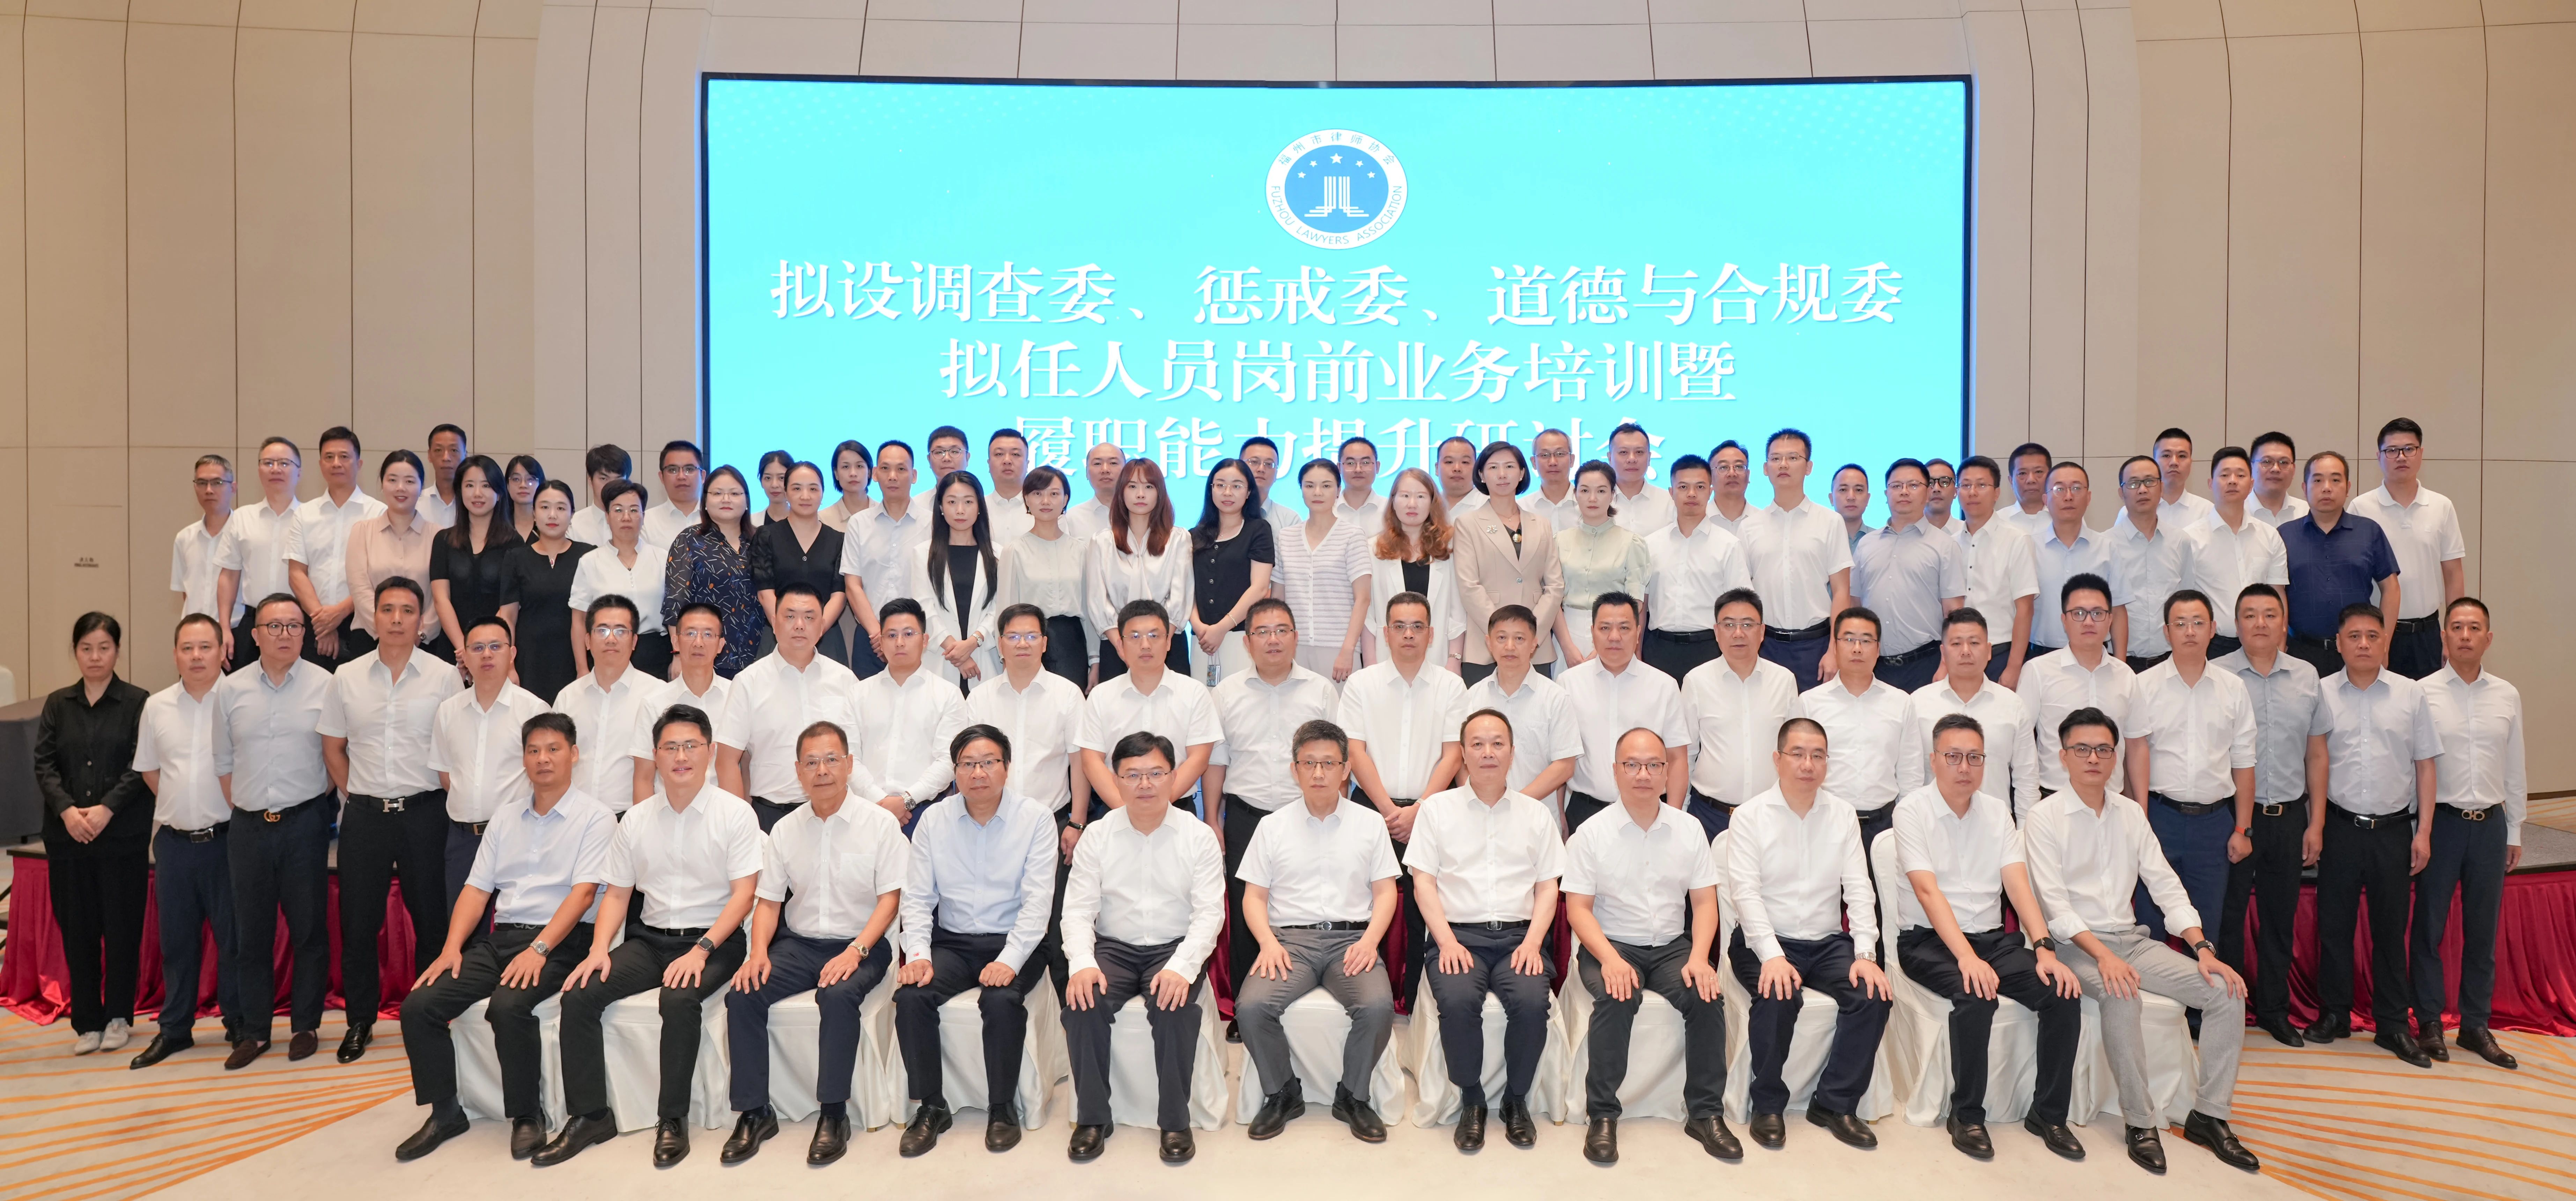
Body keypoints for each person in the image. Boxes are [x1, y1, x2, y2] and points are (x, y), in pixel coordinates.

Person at [2023, 707, 2259, 1174]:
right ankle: (2139, 1120)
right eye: (2081, 749)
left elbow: (2164, 883)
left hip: (2131, 941)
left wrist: (2202, 949)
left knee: (2224, 991)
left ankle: (2209, 1116)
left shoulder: (2130, 813)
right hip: (2073, 946)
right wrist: (2102, 957)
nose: (2093, 758)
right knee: (2120, 992)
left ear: (2115, 757)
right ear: (2062, 756)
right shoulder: (2042, 817)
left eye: (2103, 749)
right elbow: (2055, 908)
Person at [540, 703, 761, 1169]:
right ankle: (590, 1116)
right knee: (579, 994)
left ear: (710, 752)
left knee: (677, 999)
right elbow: (618, 895)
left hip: (714, 941)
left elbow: (744, 895)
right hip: (650, 940)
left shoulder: (735, 814)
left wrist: (701, 950)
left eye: (690, 746)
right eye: (670, 747)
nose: (680, 756)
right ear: (655, 756)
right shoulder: (636, 819)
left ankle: (672, 1119)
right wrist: (599, 950)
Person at [393, 713, 613, 1163]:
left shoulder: (596, 817)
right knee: (419, 1004)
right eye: (533, 750)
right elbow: (477, 890)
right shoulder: (505, 818)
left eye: (553, 749)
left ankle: (527, 1115)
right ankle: (445, 1112)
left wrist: (540, 948)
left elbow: (583, 894)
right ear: (524, 759)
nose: (543, 759)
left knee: (508, 1006)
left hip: (562, 940)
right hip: (504, 938)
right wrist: (451, 948)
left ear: (574, 755)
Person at [1894, 713, 2084, 1161]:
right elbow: (1927, 891)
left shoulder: (1997, 811)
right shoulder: (1912, 810)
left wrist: (2044, 948)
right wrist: (1965, 956)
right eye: (1953, 756)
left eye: (1974, 757)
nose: (1964, 767)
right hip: (1927, 941)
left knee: (2061, 991)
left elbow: (2018, 885)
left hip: (1992, 940)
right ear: (1933, 760)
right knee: (1975, 993)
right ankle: (1966, 1115)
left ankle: (2048, 1115)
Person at [719, 721, 907, 1166]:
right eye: (811, 762)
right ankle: (754, 1112)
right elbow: (768, 902)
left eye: (831, 759)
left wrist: (856, 950)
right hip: (799, 944)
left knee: (837, 996)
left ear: (849, 764)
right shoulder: (785, 829)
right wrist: (757, 954)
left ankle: (833, 1113)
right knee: (742, 993)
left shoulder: (880, 824)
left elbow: (891, 900)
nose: (822, 770)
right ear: (798, 770)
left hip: (862, 943)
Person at [1561, 725, 1732, 1164]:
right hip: (1610, 942)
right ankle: (1602, 1114)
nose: (1643, 774)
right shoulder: (1590, 833)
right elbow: (1578, 909)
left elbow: (1705, 902)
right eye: (1632, 764)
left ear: (1666, 771)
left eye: (1654, 764)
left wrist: (1700, 957)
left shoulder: (1689, 829)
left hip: (1673, 946)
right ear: (1615, 770)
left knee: (1706, 995)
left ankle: (1705, 1113)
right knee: (1617, 995)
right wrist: (1610, 959)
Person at [1062, 731, 1227, 1166]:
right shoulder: (1098, 835)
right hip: (1114, 948)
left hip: (1174, 946)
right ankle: (1092, 1117)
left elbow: (1209, 914)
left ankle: (1174, 1121)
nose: (1145, 784)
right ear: (1115, 780)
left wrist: (1182, 967)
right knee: (1082, 1002)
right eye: (1132, 775)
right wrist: (1082, 962)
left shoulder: (1198, 836)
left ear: (1174, 777)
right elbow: (1077, 909)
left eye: (1156, 773)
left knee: (1174, 1007)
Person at [892, 725, 1057, 1156]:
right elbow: (917, 897)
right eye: (967, 764)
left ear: (1006, 767)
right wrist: (918, 954)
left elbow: (1038, 904)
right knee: (911, 995)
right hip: (953, 941)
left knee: (1000, 999)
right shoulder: (934, 820)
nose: (978, 773)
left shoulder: (1036, 818)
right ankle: (931, 1106)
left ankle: (1001, 1107)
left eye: (988, 762)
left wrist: (1010, 960)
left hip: (1016, 938)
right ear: (955, 771)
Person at [1235, 720, 1402, 1144]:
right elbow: (1253, 897)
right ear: (1294, 769)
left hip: (1353, 940)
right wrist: (1267, 943)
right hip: (1289, 942)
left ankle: (1353, 1096)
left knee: (1377, 1006)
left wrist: (1370, 941)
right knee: (1252, 1007)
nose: (1318, 773)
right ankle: (1282, 1092)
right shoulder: (1272, 826)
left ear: (1346, 769)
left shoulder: (1369, 824)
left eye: (1328, 763)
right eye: (1308, 763)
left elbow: (1386, 892)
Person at [1728, 717, 1891, 1151]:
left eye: (1817, 755)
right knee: (1778, 993)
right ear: (1777, 759)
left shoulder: (1841, 814)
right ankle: (1767, 1104)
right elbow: (1745, 893)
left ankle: (1834, 1103)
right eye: (1797, 754)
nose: (1807, 764)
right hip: (1764, 939)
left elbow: (1858, 888)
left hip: (1825, 941)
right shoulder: (1749, 816)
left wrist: (1865, 954)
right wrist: (1772, 955)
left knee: (1872, 993)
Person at [318, 578, 462, 1062]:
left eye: (406, 610)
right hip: (366, 817)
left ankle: (428, 1017)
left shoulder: (444, 677)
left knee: (432, 921)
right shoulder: (346, 677)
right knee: (359, 925)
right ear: (372, 617)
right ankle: (360, 1021)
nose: (397, 619)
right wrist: (358, 794)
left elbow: (454, 749)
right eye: (387, 609)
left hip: (426, 814)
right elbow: (333, 749)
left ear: (421, 620)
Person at [1408, 709, 1562, 1154]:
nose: (1487, 752)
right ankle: (1472, 1099)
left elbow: (1548, 886)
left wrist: (1533, 942)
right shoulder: (1436, 810)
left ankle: (1516, 1100)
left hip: (1519, 937)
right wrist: (1445, 941)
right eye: (1477, 744)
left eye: (1497, 743)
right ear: (1462, 753)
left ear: (1512, 752)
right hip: (1457, 936)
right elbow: (1423, 882)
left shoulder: (1536, 814)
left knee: (1531, 1002)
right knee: (1457, 1001)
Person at [2307, 603, 2441, 1064]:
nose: (2363, 644)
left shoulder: (2409, 693)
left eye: (2371, 636)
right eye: (2353, 636)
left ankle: (2390, 1024)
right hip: (2340, 828)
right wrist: (2315, 826)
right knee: (2333, 927)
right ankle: (2334, 1013)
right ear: (2338, 643)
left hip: (2393, 830)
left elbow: (2425, 766)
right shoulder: (2321, 692)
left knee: (2389, 931)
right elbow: (2314, 763)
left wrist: (2423, 832)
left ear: (2385, 641)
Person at [212, 594, 335, 1067]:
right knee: (251, 934)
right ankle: (256, 1031)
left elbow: (334, 757)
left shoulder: (326, 685)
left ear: (305, 634)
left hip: (304, 822)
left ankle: (305, 1025)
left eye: (293, 626)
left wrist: (306, 802)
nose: (285, 634)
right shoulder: (231, 689)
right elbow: (224, 761)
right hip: (248, 828)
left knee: (309, 930)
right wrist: (250, 804)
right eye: (274, 626)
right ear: (255, 634)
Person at [129, 614, 250, 1069]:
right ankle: (175, 1029)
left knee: (234, 939)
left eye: (205, 647)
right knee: (177, 942)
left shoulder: (242, 700)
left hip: (228, 840)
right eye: (187, 648)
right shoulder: (157, 706)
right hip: (175, 844)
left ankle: (239, 1022)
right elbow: (149, 769)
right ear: (175, 654)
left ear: (223, 651)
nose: (196, 656)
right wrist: (183, 805)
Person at [1205, 600, 1337, 1006]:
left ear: (1295, 637)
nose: (1272, 639)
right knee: (1248, 911)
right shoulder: (1226, 693)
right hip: (1247, 817)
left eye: (1281, 630)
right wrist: (1212, 819)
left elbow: (1338, 760)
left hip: (1308, 816)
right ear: (1247, 643)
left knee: (1306, 904)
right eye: (1262, 632)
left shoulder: (1321, 690)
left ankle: (1304, 999)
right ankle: (1248, 1006)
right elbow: (1216, 761)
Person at [1338, 592, 1467, 1007]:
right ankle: (1363, 999)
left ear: (1431, 634)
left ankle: (1416, 1001)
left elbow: (1453, 754)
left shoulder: (1451, 686)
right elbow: (1354, 752)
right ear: (1385, 633)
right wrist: (1390, 811)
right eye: (1399, 626)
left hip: (1432, 810)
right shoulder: (1361, 684)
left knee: (1423, 910)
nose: (1408, 634)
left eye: (1416, 627)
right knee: (1361, 906)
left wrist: (1419, 810)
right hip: (1370, 808)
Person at [2213, 582, 2328, 1047]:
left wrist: (2316, 822)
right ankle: (2227, 1011)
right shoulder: (2217, 674)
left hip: (2288, 816)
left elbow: (2316, 754)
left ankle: (2275, 1012)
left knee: (2279, 919)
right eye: (2249, 615)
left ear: (2283, 623)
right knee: (2228, 919)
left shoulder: (2306, 675)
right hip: (2233, 817)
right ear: (2235, 623)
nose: (2259, 623)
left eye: (2269, 614)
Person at [2412, 597, 2523, 1069]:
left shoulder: (2507, 695)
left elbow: (2514, 765)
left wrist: (2514, 829)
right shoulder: (2421, 693)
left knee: (2482, 930)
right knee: (2428, 928)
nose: (2464, 635)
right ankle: (2429, 1023)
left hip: (2490, 825)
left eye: (2474, 627)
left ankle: (2475, 1026)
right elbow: (2414, 767)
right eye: (2455, 626)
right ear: (2443, 636)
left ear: (2487, 638)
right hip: (2441, 823)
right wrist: (2418, 830)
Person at [35, 612, 153, 1056]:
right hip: (67, 838)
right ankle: (87, 1020)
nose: (95, 656)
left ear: (117, 651)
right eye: (86, 648)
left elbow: (142, 763)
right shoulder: (58, 703)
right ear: (75, 652)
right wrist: (67, 810)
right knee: (77, 930)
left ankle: (119, 1015)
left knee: (122, 928)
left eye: (104, 647)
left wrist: (107, 808)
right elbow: (44, 764)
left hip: (121, 836)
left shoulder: (138, 702)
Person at [966, 603, 1091, 992]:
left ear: (1044, 643)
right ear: (1000, 644)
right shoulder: (980, 697)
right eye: (1014, 636)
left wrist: (1077, 822)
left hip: (1052, 821)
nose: (1023, 644)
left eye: (1031, 636)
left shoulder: (1067, 694)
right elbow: (968, 766)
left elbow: (1079, 763)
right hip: (992, 822)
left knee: (1054, 919)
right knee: (1000, 912)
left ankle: (1063, 1004)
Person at [2121, 590, 2257, 944]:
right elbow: (2132, 754)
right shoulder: (2143, 685)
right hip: (2159, 817)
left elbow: (2244, 762)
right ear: (2166, 632)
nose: (2189, 631)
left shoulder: (2233, 688)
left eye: (2198, 622)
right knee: (2150, 926)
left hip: (2214, 825)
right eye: (2180, 624)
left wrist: (2242, 828)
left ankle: (2201, 986)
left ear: (2213, 629)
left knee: (2206, 929)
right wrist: (2139, 819)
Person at [715, 584, 862, 831]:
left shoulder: (845, 680)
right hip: (771, 816)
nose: (800, 625)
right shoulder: (749, 682)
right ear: (774, 622)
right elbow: (727, 761)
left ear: (822, 625)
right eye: (790, 616)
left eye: (809, 618)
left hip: (838, 815)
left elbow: (859, 754)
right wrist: (740, 825)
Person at [432, 616, 552, 904]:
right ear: (464, 657)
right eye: (477, 648)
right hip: (463, 840)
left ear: (512, 654)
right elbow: (447, 775)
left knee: (515, 925)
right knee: (462, 925)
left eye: (496, 647)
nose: (487, 654)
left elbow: (549, 781)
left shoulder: (535, 711)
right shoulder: (448, 711)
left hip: (519, 839)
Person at [1076, 600, 1222, 817]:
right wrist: (1127, 811)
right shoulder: (1100, 696)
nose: (1145, 645)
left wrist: (1156, 807)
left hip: (1178, 809)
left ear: (1169, 642)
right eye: (1135, 637)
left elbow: (1199, 759)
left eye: (1154, 636)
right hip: (1115, 810)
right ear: (1121, 645)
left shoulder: (1195, 692)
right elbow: (1091, 761)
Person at [1557, 594, 1689, 832]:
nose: (1614, 637)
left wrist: (1675, 818)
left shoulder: (1664, 686)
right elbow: (1560, 757)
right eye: (1605, 628)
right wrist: (1560, 817)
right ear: (1593, 632)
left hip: (1649, 812)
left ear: (1638, 633)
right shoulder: (1569, 684)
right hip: (1585, 811)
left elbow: (1678, 758)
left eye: (1624, 628)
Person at [1798, 606, 1924, 852]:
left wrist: (1908, 826)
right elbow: (1798, 769)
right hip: (1825, 825)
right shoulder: (1810, 703)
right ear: (1835, 647)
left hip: (1884, 826)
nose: (1857, 648)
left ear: (1878, 649)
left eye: (1866, 641)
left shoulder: (1901, 702)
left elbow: (1910, 773)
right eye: (1848, 640)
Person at [2349, 419, 2466, 679]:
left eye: (2409, 449)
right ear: (2379, 457)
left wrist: (2453, 635)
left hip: (2427, 633)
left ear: (2421, 453)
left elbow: (2453, 575)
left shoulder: (2441, 506)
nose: (2401, 457)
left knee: (2429, 703)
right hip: (2376, 633)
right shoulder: (2360, 508)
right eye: (2392, 450)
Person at [1679, 589, 1801, 838]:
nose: (1738, 633)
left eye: (1747, 624)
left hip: (1771, 816)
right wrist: (1680, 815)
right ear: (1716, 632)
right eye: (1729, 625)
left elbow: (1796, 752)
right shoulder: (1696, 681)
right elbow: (1685, 755)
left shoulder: (1784, 681)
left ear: (1762, 631)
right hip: (1710, 816)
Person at [2017, 575, 2136, 816]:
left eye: (2098, 613)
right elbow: (2020, 743)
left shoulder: (2126, 675)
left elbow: (2136, 745)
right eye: (2079, 613)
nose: (2089, 622)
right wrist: (2027, 812)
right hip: (2052, 802)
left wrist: (2139, 810)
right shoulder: (2037, 671)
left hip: (2111, 805)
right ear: (2064, 620)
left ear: (2110, 619)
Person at [1741, 429, 1853, 684]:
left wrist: (1834, 650)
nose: (1783, 465)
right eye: (1776, 458)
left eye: (1793, 458)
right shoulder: (1749, 527)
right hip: (1765, 646)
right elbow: (1744, 594)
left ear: (1809, 467)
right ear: (1765, 468)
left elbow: (1841, 592)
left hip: (1816, 645)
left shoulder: (1830, 522)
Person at [1447, 606, 1582, 812]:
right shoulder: (1472, 697)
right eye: (1502, 638)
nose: (1510, 647)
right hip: (1481, 814)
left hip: (1536, 815)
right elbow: (1462, 759)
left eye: (1519, 639)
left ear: (1534, 644)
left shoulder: (1556, 698)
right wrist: (1482, 803)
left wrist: (1515, 804)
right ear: (1489, 643)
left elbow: (1564, 765)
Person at [1908, 608, 2042, 815]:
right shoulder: (1918, 703)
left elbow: (2027, 779)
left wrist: (2025, 830)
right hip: (1932, 824)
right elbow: (1910, 776)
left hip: (1995, 826)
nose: (1966, 651)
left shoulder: (2013, 705)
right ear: (1943, 653)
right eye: (1956, 644)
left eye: (1974, 643)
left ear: (1989, 651)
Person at [851, 599, 970, 827]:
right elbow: (849, 757)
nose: (900, 642)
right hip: (867, 810)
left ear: (925, 641)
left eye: (908, 634)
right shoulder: (857, 694)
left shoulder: (948, 695)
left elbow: (948, 760)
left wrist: (906, 801)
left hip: (926, 813)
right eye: (891, 635)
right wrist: (880, 802)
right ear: (881, 642)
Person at [1454, 442, 1565, 686]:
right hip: (1486, 645)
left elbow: (1555, 586)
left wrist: (1530, 633)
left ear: (1522, 473)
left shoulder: (1541, 524)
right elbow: (1469, 587)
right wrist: (1501, 635)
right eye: (1493, 467)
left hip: (1535, 645)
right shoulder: (1467, 524)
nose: (1502, 474)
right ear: (1482, 475)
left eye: (1510, 467)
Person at [1851, 458, 1968, 691]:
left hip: (1926, 664)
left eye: (1913, 485)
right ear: (1886, 494)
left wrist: (1946, 664)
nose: (1904, 492)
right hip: (1873, 665)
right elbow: (1854, 605)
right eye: (1896, 486)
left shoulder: (1945, 546)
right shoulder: (1866, 545)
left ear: (1927, 492)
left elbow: (1953, 614)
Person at [2281, 452, 2400, 677]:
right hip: (2299, 652)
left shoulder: (2369, 532)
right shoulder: (2285, 535)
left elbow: (2391, 588)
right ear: (2304, 488)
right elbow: (2277, 596)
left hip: (2357, 651)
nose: (2327, 488)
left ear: (2348, 488)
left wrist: (2383, 644)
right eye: (2318, 480)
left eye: (2335, 480)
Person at [1641, 454, 1750, 683]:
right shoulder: (1651, 545)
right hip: (1658, 649)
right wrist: (1637, 652)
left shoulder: (1729, 545)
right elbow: (1641, 606)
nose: (1692, 494)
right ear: (1671, 493)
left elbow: (1741, 607)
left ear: (1710, 491)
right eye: (1683, 487)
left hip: (1710, 650)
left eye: (1700, 487)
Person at [1086, 458, 1193, 681]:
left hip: (1168, 643)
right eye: (1133, 486)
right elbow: (1098, 599)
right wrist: (1122, 644)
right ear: (1121, 492)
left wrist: (1160, 640)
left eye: (1149, 487)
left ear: (1160, 493)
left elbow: (1180, 595)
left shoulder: (1179, 539)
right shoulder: (1102, 542)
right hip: (1117, 644)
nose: (1141, 495)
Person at [285, 427, 384, 666]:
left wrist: (338, 614)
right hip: (314, 624)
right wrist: (323, 622)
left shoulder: (379, 513)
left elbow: (378, 575)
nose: (336, 463)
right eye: (329, 457)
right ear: (320, 464)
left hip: (363, 623)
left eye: (344, 456)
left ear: (359, 464)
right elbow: (297, 573)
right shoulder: (304, 514)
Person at [550, 596, 658, 816]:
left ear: (634, 641)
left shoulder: (658, 695)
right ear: (588, 641)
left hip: (630, 819)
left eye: (621, 631)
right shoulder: (567, 698)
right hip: (574, 819)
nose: (611, 639)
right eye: (602, 631)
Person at [1270, 457, 1370, 683]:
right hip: (1293, 648)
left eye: (1326, 486)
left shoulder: (1352, 536)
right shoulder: (1285, 537)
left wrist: (1348, 650)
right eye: (1310, 486)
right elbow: (1278, 599)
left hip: (1338, 650)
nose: (1317, 492)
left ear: (1338, 491)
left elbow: (1363, 599)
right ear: (1301, 490)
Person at [995, 465, 1095, 688]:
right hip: (1028, 642)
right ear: (1027, 499)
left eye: (1054, 494)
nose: (1046, 501)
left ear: (1066, 499)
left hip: (1072, 643)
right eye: (1038, 494)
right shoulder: (1015, 550)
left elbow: (1089, 610)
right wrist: (1005, 658)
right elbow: (1005, 608)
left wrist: (1095, 659)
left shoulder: (1081, 550)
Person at [838, 439, 928, 679]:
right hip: (870, 640)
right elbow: (853, 585)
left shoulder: (933, 524)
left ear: (914, 476)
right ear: (876, 474)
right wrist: (879, 635)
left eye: (901, 469)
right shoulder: (859, 523)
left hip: (918, 640)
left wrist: (903, 636)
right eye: (886, 469)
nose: (893, 476)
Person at [211, 437, 304, 669]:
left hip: (299, 624)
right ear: (259, 469)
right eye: (268, 463)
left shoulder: (311, 518)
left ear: (299, 472)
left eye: (284, 463)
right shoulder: (242, 518)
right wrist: (224, 627)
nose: (276, 469)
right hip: (252, 623)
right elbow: (228, 576)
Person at [1361, 467, 1464, 674]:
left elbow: (1458, 612)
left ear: (1433, 502)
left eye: (1421, 496)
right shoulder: (1373, 550)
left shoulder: (1450, 549)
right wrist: (1370, 664)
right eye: (1405, 496)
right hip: (1384, 659)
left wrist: (1454, 660)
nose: (1412, 504)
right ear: (1393, 501)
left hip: (1439, 659)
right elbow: (1368, 616)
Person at [497, 480, 593, 702]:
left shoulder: (588, 556)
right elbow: (508, 617)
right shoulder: (516, 558)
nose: (552, 515)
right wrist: (509, 666)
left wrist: (584, 668)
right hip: (529, 658)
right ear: (534, 512)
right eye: (545, 507)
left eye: (561, 508)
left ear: (572, 514)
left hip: (576, 658)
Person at [661, 464, 761, 676]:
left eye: (735, 494)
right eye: (717, 493)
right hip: (703, 656)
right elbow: (675, 602)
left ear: (747, 501)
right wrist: (678, 654)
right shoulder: (689, 540)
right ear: (705, 501)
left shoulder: (761, 541)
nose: (726, 499)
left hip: (758, 657)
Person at [629, 603, 734, 805]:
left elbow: (745, 767)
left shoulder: (736, 696)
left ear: (721, 645)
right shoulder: (654, 703)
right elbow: (643, 778)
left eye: (708, 635)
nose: (699, 643)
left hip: (722, 813)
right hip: (668, 812)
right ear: (676, 641)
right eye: (690, 634)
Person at [342, 450, 441, 663]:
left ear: (422, 487)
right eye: (393, 480)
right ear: (382, 485)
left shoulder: (438, 536)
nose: (401, 488)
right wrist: (385, 630)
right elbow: (360, 589)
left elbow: (441, 596)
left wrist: (421, 633)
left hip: (424, 643)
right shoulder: (362, 531)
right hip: (370, 639)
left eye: (410, 481)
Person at [568, 478, 670, 679]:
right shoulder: (590, 561)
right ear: (607, 516)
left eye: (634, 510)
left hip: (655, 651)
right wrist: (582, 669)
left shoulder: (662, 558)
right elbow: (578, 621)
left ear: (644, 516)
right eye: (618, 510)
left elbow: (674, 613)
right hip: (608, 648)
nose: (626, 517)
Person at [2194, 447, 2290, 659]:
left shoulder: (2270, 536)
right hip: (2212, 647)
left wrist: (2281, 645)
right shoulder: (2190, 539)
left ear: (2251, 484)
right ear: (2210, 484)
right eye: (2224, 475)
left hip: (2264, 642)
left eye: (2240, 475)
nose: (2232, 481)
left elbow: (2278, 594)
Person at [1187, 458, 1276, 685]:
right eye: (1220, 485)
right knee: (1204, 699)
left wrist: (1222, 628)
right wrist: (1198, 626)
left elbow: (1260, 588)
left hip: (1241, 637)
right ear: (1211, 489)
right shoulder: (1194, 535)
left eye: (1237, 486)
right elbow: (1186, 587)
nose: (1228, 492)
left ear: (1248, 492)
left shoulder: (1258, 530)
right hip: (1202, 639)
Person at [750, 460, 849, 663]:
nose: (805, 496)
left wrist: (816, 630)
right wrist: (785, 628)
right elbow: (765, 592)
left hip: (826, 638)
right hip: (778, 636)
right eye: (797, 489)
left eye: (813, 489)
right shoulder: (767, 536)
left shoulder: (839, 540)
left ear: (823, 494)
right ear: (786, 493)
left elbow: (839, 595)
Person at [1950, 456, 2038, 685]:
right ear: (1957, 492)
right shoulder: (1949, 544)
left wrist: (2014, 667)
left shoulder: (2016, 540)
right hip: (1957, 655)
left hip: (2001, 654)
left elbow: (2025, 609)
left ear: (1997, 493)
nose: (1972, 492)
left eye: (1981, 485)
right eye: (1966, 485)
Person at [910, 471, 1002, 687]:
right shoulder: (922, 554)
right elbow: (924, 609)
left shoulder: (999, 555)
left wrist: (973, 643)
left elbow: (999, 609)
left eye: (969, 502)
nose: (960, 510)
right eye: (952, 502)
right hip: (940, 660)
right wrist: (958, 653)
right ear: (941, 507)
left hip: (984, 659)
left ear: (979, 507)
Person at [430, 456, 524, 666]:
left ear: (500, 494)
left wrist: (483, 648)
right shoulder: (443, 541)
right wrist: (465, 650)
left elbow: (510, 606)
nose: (477, 493)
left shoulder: (514, 543)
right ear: (460, 491)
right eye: (470, 485)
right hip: (453, 651)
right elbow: (441, 599)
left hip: (495, 650)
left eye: (486, 486)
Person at [2029, 462, 2123, 664]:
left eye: (2077, 488)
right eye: (2059, 489)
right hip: (2041, 656)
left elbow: (2118, 609)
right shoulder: (2029, 548)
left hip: (2096, 655)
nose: (2069, 496)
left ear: (2089, 497)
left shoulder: (2107, 547)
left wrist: (2121, 664)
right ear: (2046, 500)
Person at [2107, 456, 2194, 672]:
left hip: (2170, 660)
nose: (2142, 490)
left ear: (2162, 488)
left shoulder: (2180, 541)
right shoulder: (2105, 545)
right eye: (2133, 483)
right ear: (2121, 493)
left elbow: (2186, 600)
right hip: (2120, 661)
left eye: (2150, 481)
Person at [172, 454, 241, 631]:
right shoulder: (184, 538)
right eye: (202, 483)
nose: (209, 490)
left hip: (236, 631)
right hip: (194, 632)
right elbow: (186, 593)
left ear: (233, 488)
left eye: (217, 483)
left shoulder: (245, 535)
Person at [1604, 422, 1674, 533]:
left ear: (1649, 458)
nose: (1632, 459)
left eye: (1639, 452)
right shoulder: (1595, 502)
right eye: (1623, 452)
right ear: (1610, 458)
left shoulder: (1670, 503)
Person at [566, 443, 630, 548]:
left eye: (618, 480)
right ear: (590, 480)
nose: (611, 486)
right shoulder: (574, 525)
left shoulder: (640, 524)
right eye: (604, 479)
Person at [643, 440, 705, 547]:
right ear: (662, 477)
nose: (681, 476)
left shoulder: (718, 519)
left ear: (703, 477)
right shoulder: (646, 522)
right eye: (673, 470)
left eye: (689, 469)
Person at [2150, 428, 2215, 528]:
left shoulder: (2207, 511)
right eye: (2166, 455)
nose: (2174, 462)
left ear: (2191, 463)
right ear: (2154, 463)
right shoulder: (2134, 511)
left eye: (2182, 456)